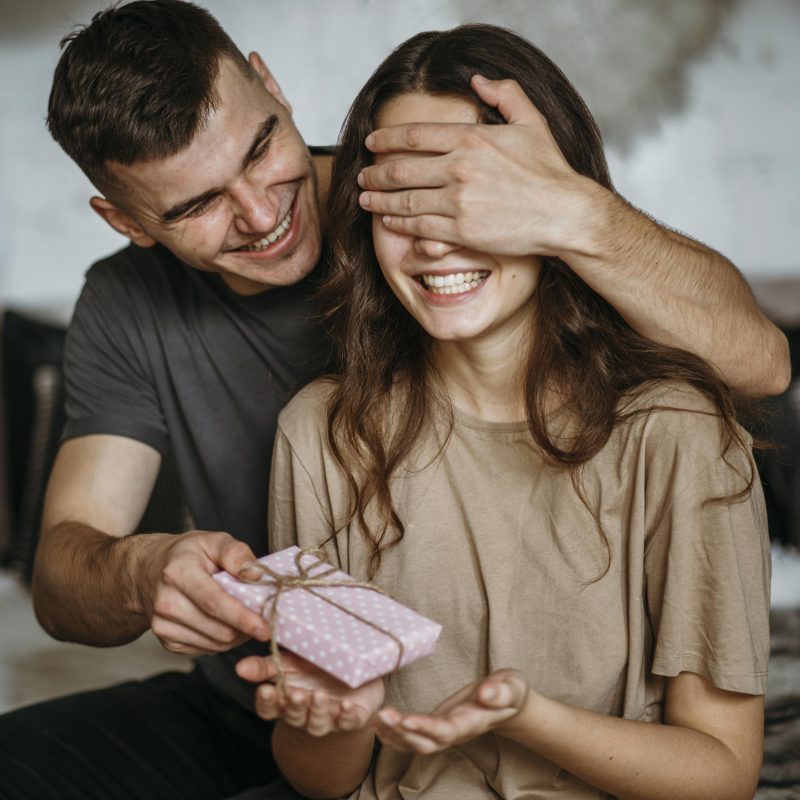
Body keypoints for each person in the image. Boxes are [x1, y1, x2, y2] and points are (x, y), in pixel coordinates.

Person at [0, 2, 784, 799]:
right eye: (196, 206)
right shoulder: (221, 363)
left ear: (272, 87)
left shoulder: (428, 195)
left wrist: (571, 207)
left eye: (262, 148)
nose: (263, 215)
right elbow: (68, 561)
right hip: (288, 711)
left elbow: (760, 365)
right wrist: (145, 570)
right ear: (127, 221)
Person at [235, 24, 771, 800]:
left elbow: (723, 774)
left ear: (550, 202)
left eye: (467, 197)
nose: (433, 240)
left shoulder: (678, 435)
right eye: (401, 202)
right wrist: (336, 717)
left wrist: (522, 715)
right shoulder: (321, 433)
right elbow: (322, 781)